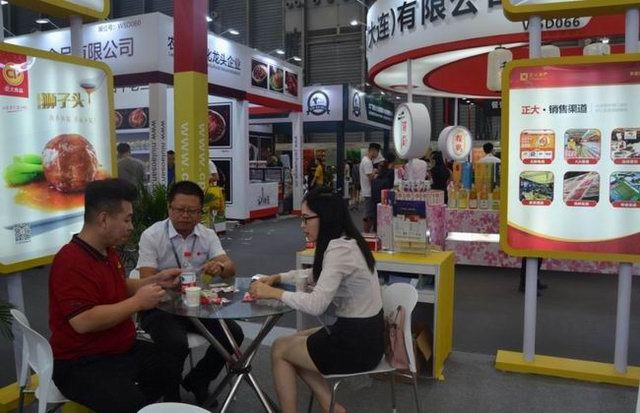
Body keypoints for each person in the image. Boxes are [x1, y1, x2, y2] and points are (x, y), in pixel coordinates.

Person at [49, 178, 183, 412]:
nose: (131, 227)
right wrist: (137, 303)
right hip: (80, 361)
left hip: (119, 349)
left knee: (169, 366)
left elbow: (118, 286)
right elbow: (83, 321)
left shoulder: (106, 251)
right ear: (103, 219)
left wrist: (154, 281)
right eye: (127, 219)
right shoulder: (70, 261)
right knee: (130, 403)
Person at [249, 189, 384, 413]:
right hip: (365, 333)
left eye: (306, 219)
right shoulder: (347, 241)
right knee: (292, 342)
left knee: (280, 349)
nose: (302, 226)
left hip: (357, 343)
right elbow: (315, 275)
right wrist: (278, 278)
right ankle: (330, 406)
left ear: (325, 217)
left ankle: (321, 406)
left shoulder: (339, 249)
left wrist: (273, 293)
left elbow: (315, 304)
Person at [136, 181, 244, 405]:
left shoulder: (207, 235)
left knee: (234, 335)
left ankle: (198, 380)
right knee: (175, 343)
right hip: (159, 306)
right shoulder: (152, 235)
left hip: (196, 306)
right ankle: (171, 394)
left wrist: (220, 267)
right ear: (169, 208)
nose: (185, 215)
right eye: (180, 209)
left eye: (192, 211)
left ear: (200, 212)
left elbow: (230, 268)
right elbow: (146, 278)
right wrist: (166, 282)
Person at [371, 154, 396, 232]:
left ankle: (376, 229)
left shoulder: (377, 175)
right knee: (385, 212)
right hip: (385, 195)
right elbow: (391, 185)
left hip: (375, 196)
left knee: (375, 212)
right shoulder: (391, 172)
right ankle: (384, 229)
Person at [360, 143, 381, 232]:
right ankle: (366, 234)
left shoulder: (366, 160)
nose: (377, 154)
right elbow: (370, 177)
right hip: (369, 191)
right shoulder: (367, 161)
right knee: (368, 214)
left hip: (367, 191)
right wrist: (376, 173)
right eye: (377, 152)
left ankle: (367, 233)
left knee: (369, 213)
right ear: (373, 150)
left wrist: (373, 171)